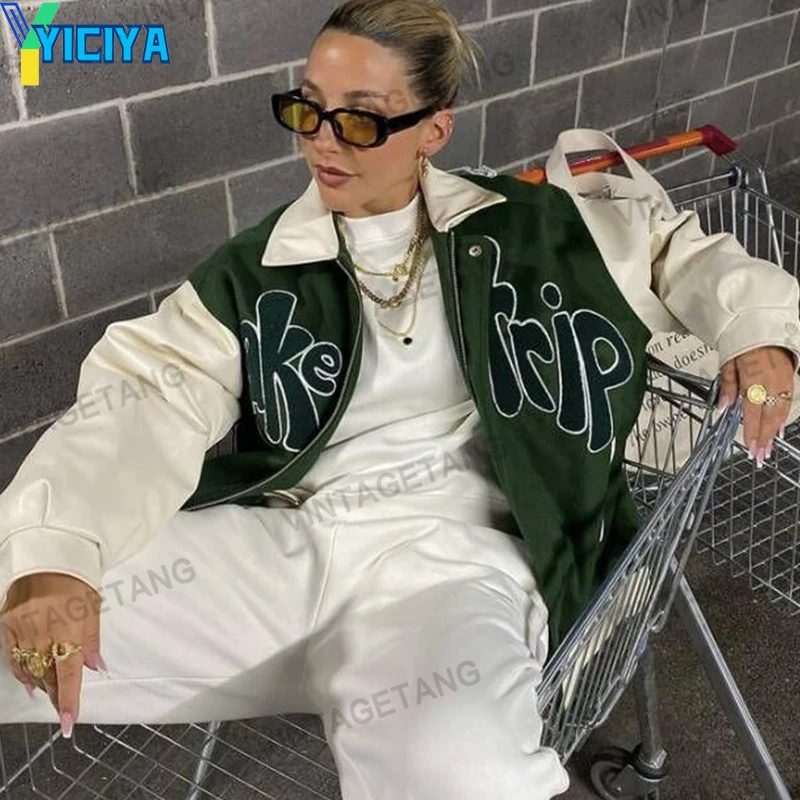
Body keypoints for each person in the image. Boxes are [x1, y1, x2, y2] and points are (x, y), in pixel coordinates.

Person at [1, 0, 798, 797]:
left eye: (359, 120)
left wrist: (757, 330)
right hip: (293, 546)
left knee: (461, 768)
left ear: (433, 131)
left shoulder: (534, 228)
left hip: (457, 568)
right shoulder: (258, 270)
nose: (321, 140)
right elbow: (147, 396)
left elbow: (673, 249)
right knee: (18, 588)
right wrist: (56, 550)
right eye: (307, 109)